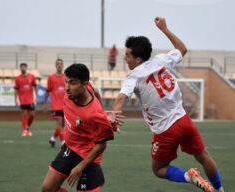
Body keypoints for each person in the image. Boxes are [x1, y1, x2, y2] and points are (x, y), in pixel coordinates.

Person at [112, 17, 223, 192]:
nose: (125, 58)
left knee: (158, 169)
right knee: (203, 156)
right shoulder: (161, 60)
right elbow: (182, 49)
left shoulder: (133, 76)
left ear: (138, 59)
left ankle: (189, 176)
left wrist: (114, 115)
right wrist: (164, 29)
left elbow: (120, 99)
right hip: (184, 119)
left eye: (128, 55)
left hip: (166, 129)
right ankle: (219, 189)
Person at [41, 64, 122, 192]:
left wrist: (80, 167)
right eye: (66, 82)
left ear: (84, 84)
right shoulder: (84, 89)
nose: (67, 88)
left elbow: (101, 145)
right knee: (48, 189)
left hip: (87, 156)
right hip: (69, 148)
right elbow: (95, 92)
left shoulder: (95, 115)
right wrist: (103, 110)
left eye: (72, 83)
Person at [43, 59, 66, 148]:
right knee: (59, 123)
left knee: (63, 125)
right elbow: (47, 91)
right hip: (56, 104)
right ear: (55, 65)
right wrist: (45, 104)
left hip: (65, 105)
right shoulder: (51, 78)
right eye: (58, 64)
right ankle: (63, 142)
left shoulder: (66, 77)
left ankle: (52, 139)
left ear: (63, 65)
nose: (59, 65)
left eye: (61, 64)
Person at [14, 63, 38, 137]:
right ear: (20, 68)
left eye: (24, 67)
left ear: (26, 68)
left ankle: (27, 128)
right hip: (22, 100)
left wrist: (36, 97)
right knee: (24, 114)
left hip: (30, 100)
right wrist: (16, 100)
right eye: (22, 67)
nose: (23, 68)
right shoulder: (17, 78)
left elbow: (35, 87)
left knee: (32, 115)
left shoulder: (32, 76)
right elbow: (16, 90)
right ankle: (25, 130)